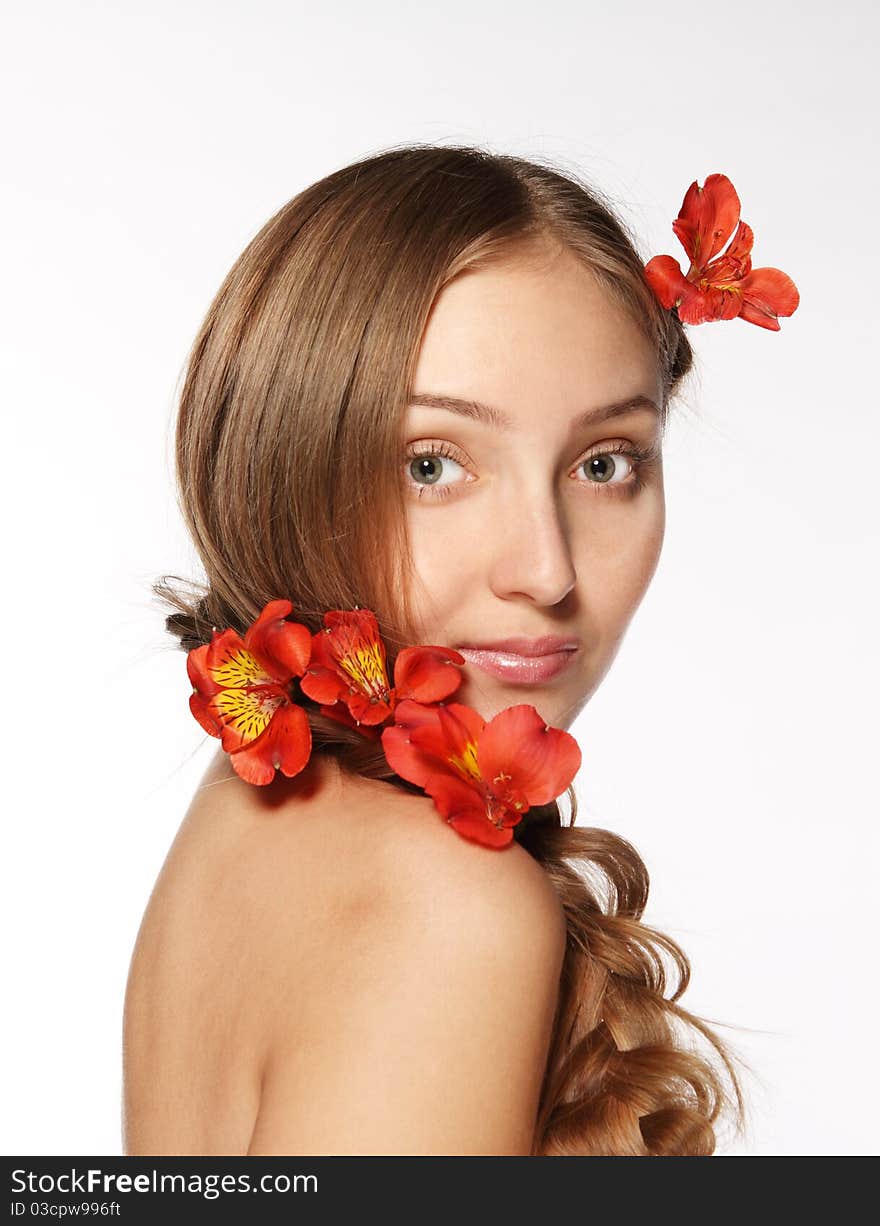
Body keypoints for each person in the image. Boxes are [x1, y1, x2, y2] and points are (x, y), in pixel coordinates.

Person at [122, 144, 751, 1156]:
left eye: (604, 461)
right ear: (287, 466)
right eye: (433, 465)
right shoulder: (446, 904)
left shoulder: (251, 800)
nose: (545, 571)